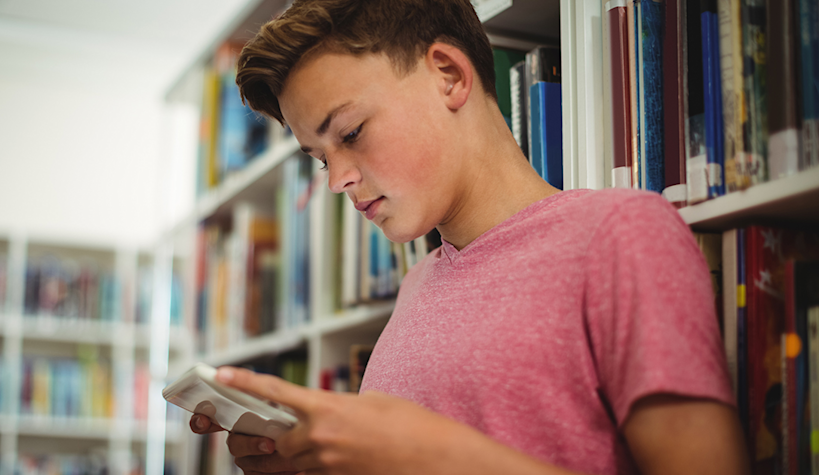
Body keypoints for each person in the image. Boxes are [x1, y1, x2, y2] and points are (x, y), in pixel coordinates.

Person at [190, 0, 749, 473]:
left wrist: (431, 453)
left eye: (352, 133)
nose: (338, 180)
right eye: (320, 158)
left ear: (449, 75)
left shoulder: (621, 234)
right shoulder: (417, 285)